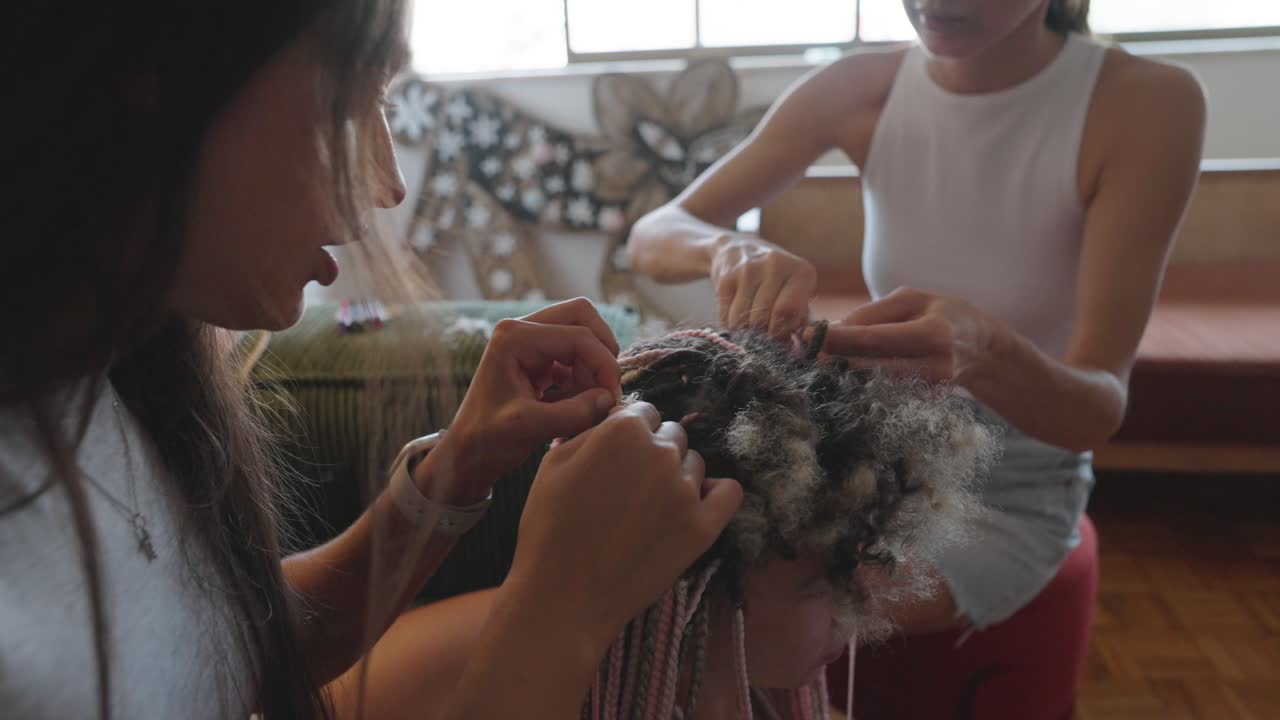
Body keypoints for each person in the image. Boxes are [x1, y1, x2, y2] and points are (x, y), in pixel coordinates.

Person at [0, 2, 741, 719]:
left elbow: (234, 651)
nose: (386, 188)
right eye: (354, 100)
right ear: (159, 73)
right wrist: (563, 608)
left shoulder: (104, 377)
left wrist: (453, 470)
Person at [627, 0, 1205, 637]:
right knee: (666, 569)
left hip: (1007, 487)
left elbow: (1095, 411)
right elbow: (652, 237)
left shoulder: (1147, 102)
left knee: (767, 614)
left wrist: (990, 354)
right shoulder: (861, 86)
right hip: (868, 450)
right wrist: (727, 246)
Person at [336, 326, 998, 720]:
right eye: (822, 581)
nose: (866, 605)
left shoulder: (742, 683)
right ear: (693, 580)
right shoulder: (477, 663)